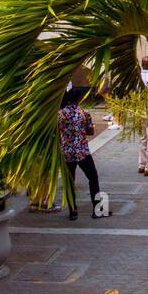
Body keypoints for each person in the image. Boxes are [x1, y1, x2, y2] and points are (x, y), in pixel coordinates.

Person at [59, 90, 104, 221]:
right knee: (93, 178)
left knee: (69, 182)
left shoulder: (60, 114)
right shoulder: (83, 113)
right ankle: (97, 209)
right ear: (79, 99)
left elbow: (58, 131)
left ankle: (73, 211)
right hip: (82, 151)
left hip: (67, 152)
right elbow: (90, 131)